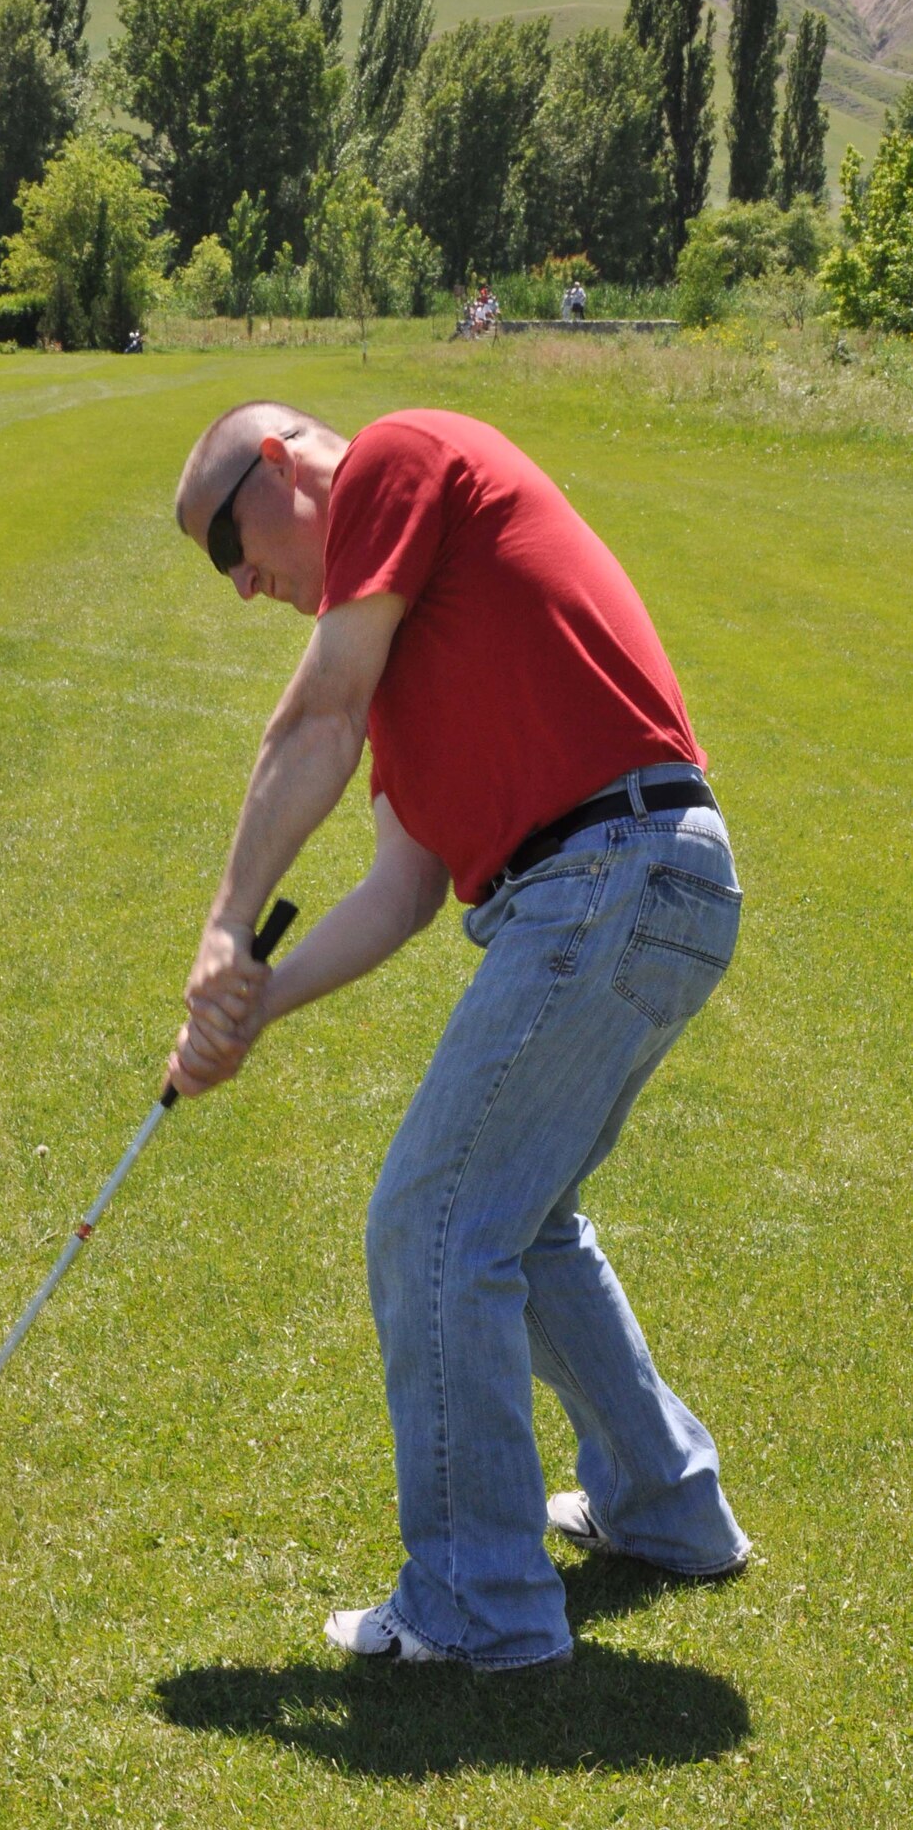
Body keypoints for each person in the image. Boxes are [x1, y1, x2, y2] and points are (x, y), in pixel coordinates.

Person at [168, 401, 749, 1673]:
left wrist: (224, 927)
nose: (239, 582)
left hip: (610, 872)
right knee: (519, 1219)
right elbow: (406, 886)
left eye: (230, 540)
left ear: (283, 463)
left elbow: (309, 719)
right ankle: (666, 1504)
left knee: (434, 1216)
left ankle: (477, 1599)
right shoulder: (411, 658)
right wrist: (260, 1002)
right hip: (647, 887)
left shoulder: (394, 458)